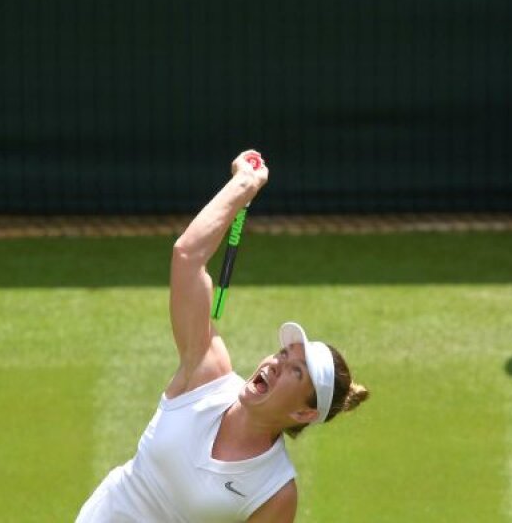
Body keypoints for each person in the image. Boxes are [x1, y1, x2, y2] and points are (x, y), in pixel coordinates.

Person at [77, 149, 369, 522]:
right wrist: (242, 186)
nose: (276, 364)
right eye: (283, 355)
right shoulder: (206, 374)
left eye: (296, 371)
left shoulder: (275, 493)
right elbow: (187, 257)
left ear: (304, 411)